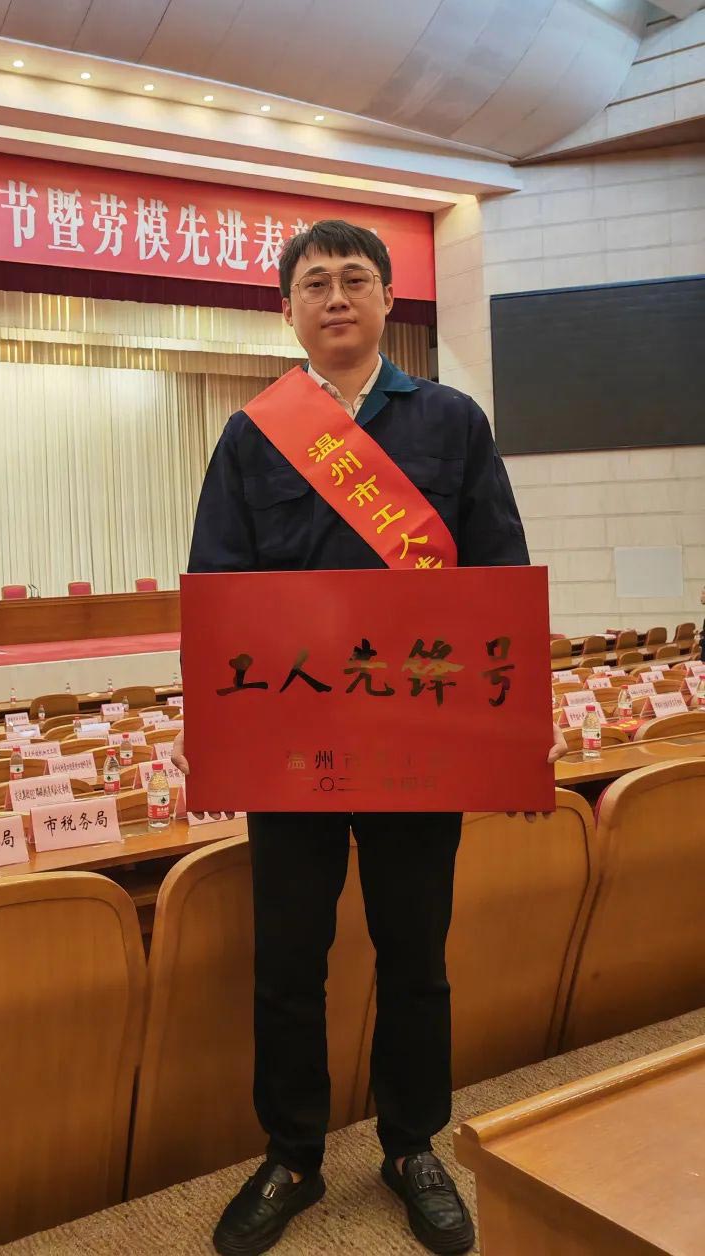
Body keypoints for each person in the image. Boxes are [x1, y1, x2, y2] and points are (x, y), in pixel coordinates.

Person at [172, 220, 568, 1256]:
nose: (337, 296)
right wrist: (213, 732)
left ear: (391, 299)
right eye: (316, 283)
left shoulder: (451, 420)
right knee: (287, 960)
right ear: (288, 309)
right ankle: (293, 1152)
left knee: (416, 954)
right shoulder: (254, 433)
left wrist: (522, 729)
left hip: (416, 742)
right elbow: (217, 589)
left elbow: (498, 576)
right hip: (290, 748)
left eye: (356, 279)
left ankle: (411, 1144)